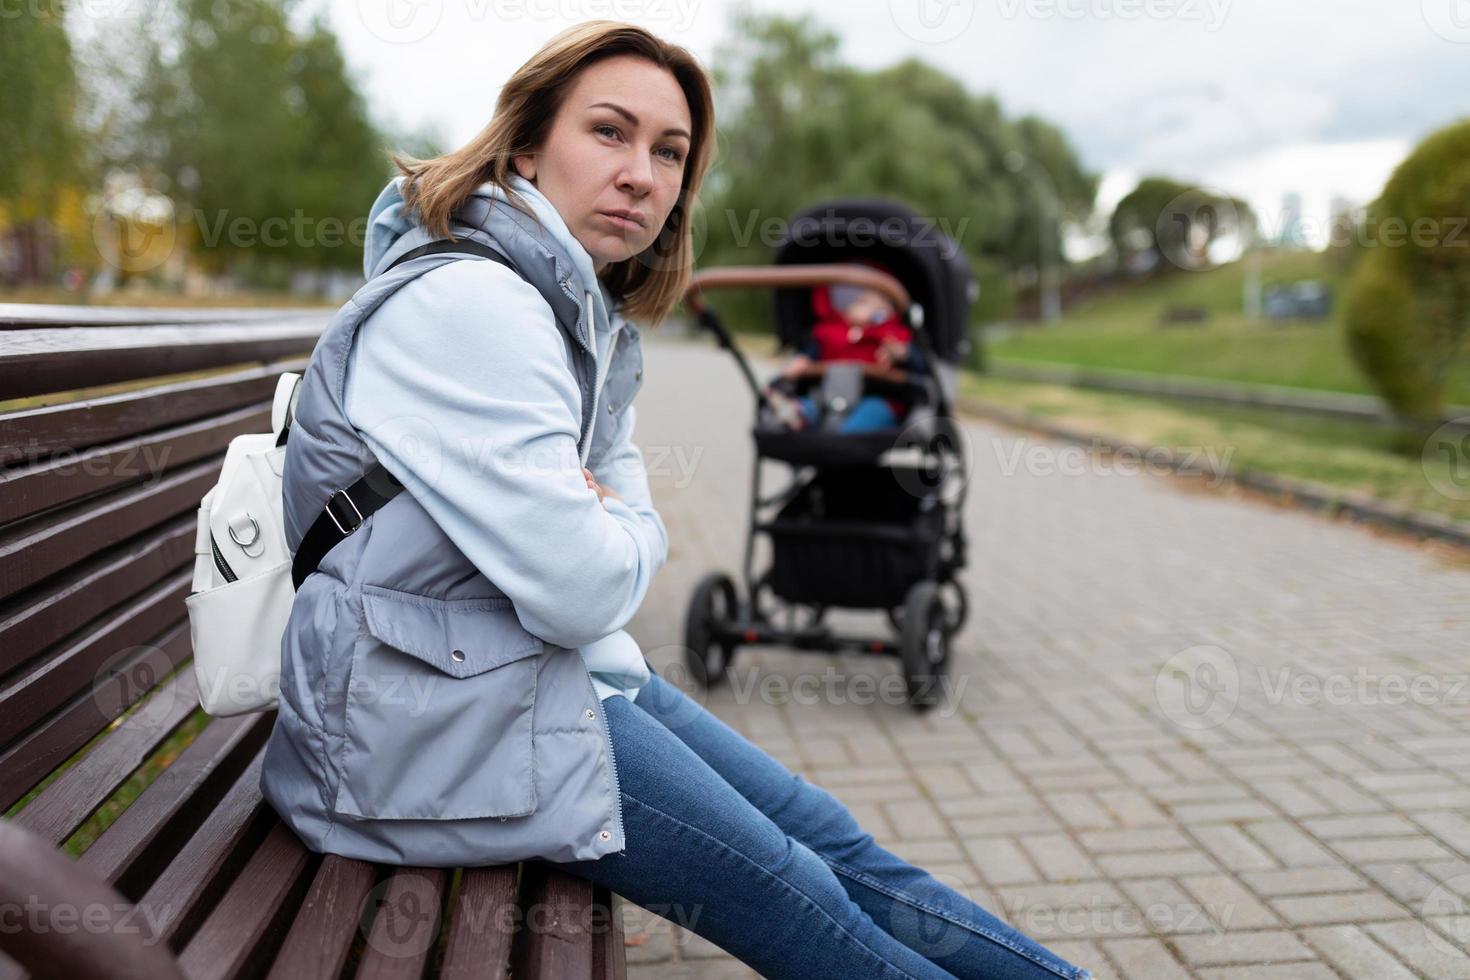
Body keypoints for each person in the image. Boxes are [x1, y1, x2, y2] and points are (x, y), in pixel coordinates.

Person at [260, 19, 1089, 980]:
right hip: (418, 728)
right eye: (609, 133)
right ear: (526, 145)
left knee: (833, 838)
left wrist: (613, 520)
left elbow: (614, 530)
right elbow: (586, 587)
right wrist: (616, 523)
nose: (643, 176)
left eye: (671, 152)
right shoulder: (474, 308)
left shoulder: (574, 309)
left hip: (516, 674)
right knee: (803, 892)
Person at [770, 274, 928, 433]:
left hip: (877, 396)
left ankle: (844, 436)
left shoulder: (893, 335)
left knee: (872, 412)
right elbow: (810, 353)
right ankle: (796, 413)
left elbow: (920, 367)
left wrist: (902, 354)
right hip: (829, 393)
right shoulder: (829, 331)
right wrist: (801, 361)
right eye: (864, 302)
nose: (877, 307)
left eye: (883, 304)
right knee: (813, 402)